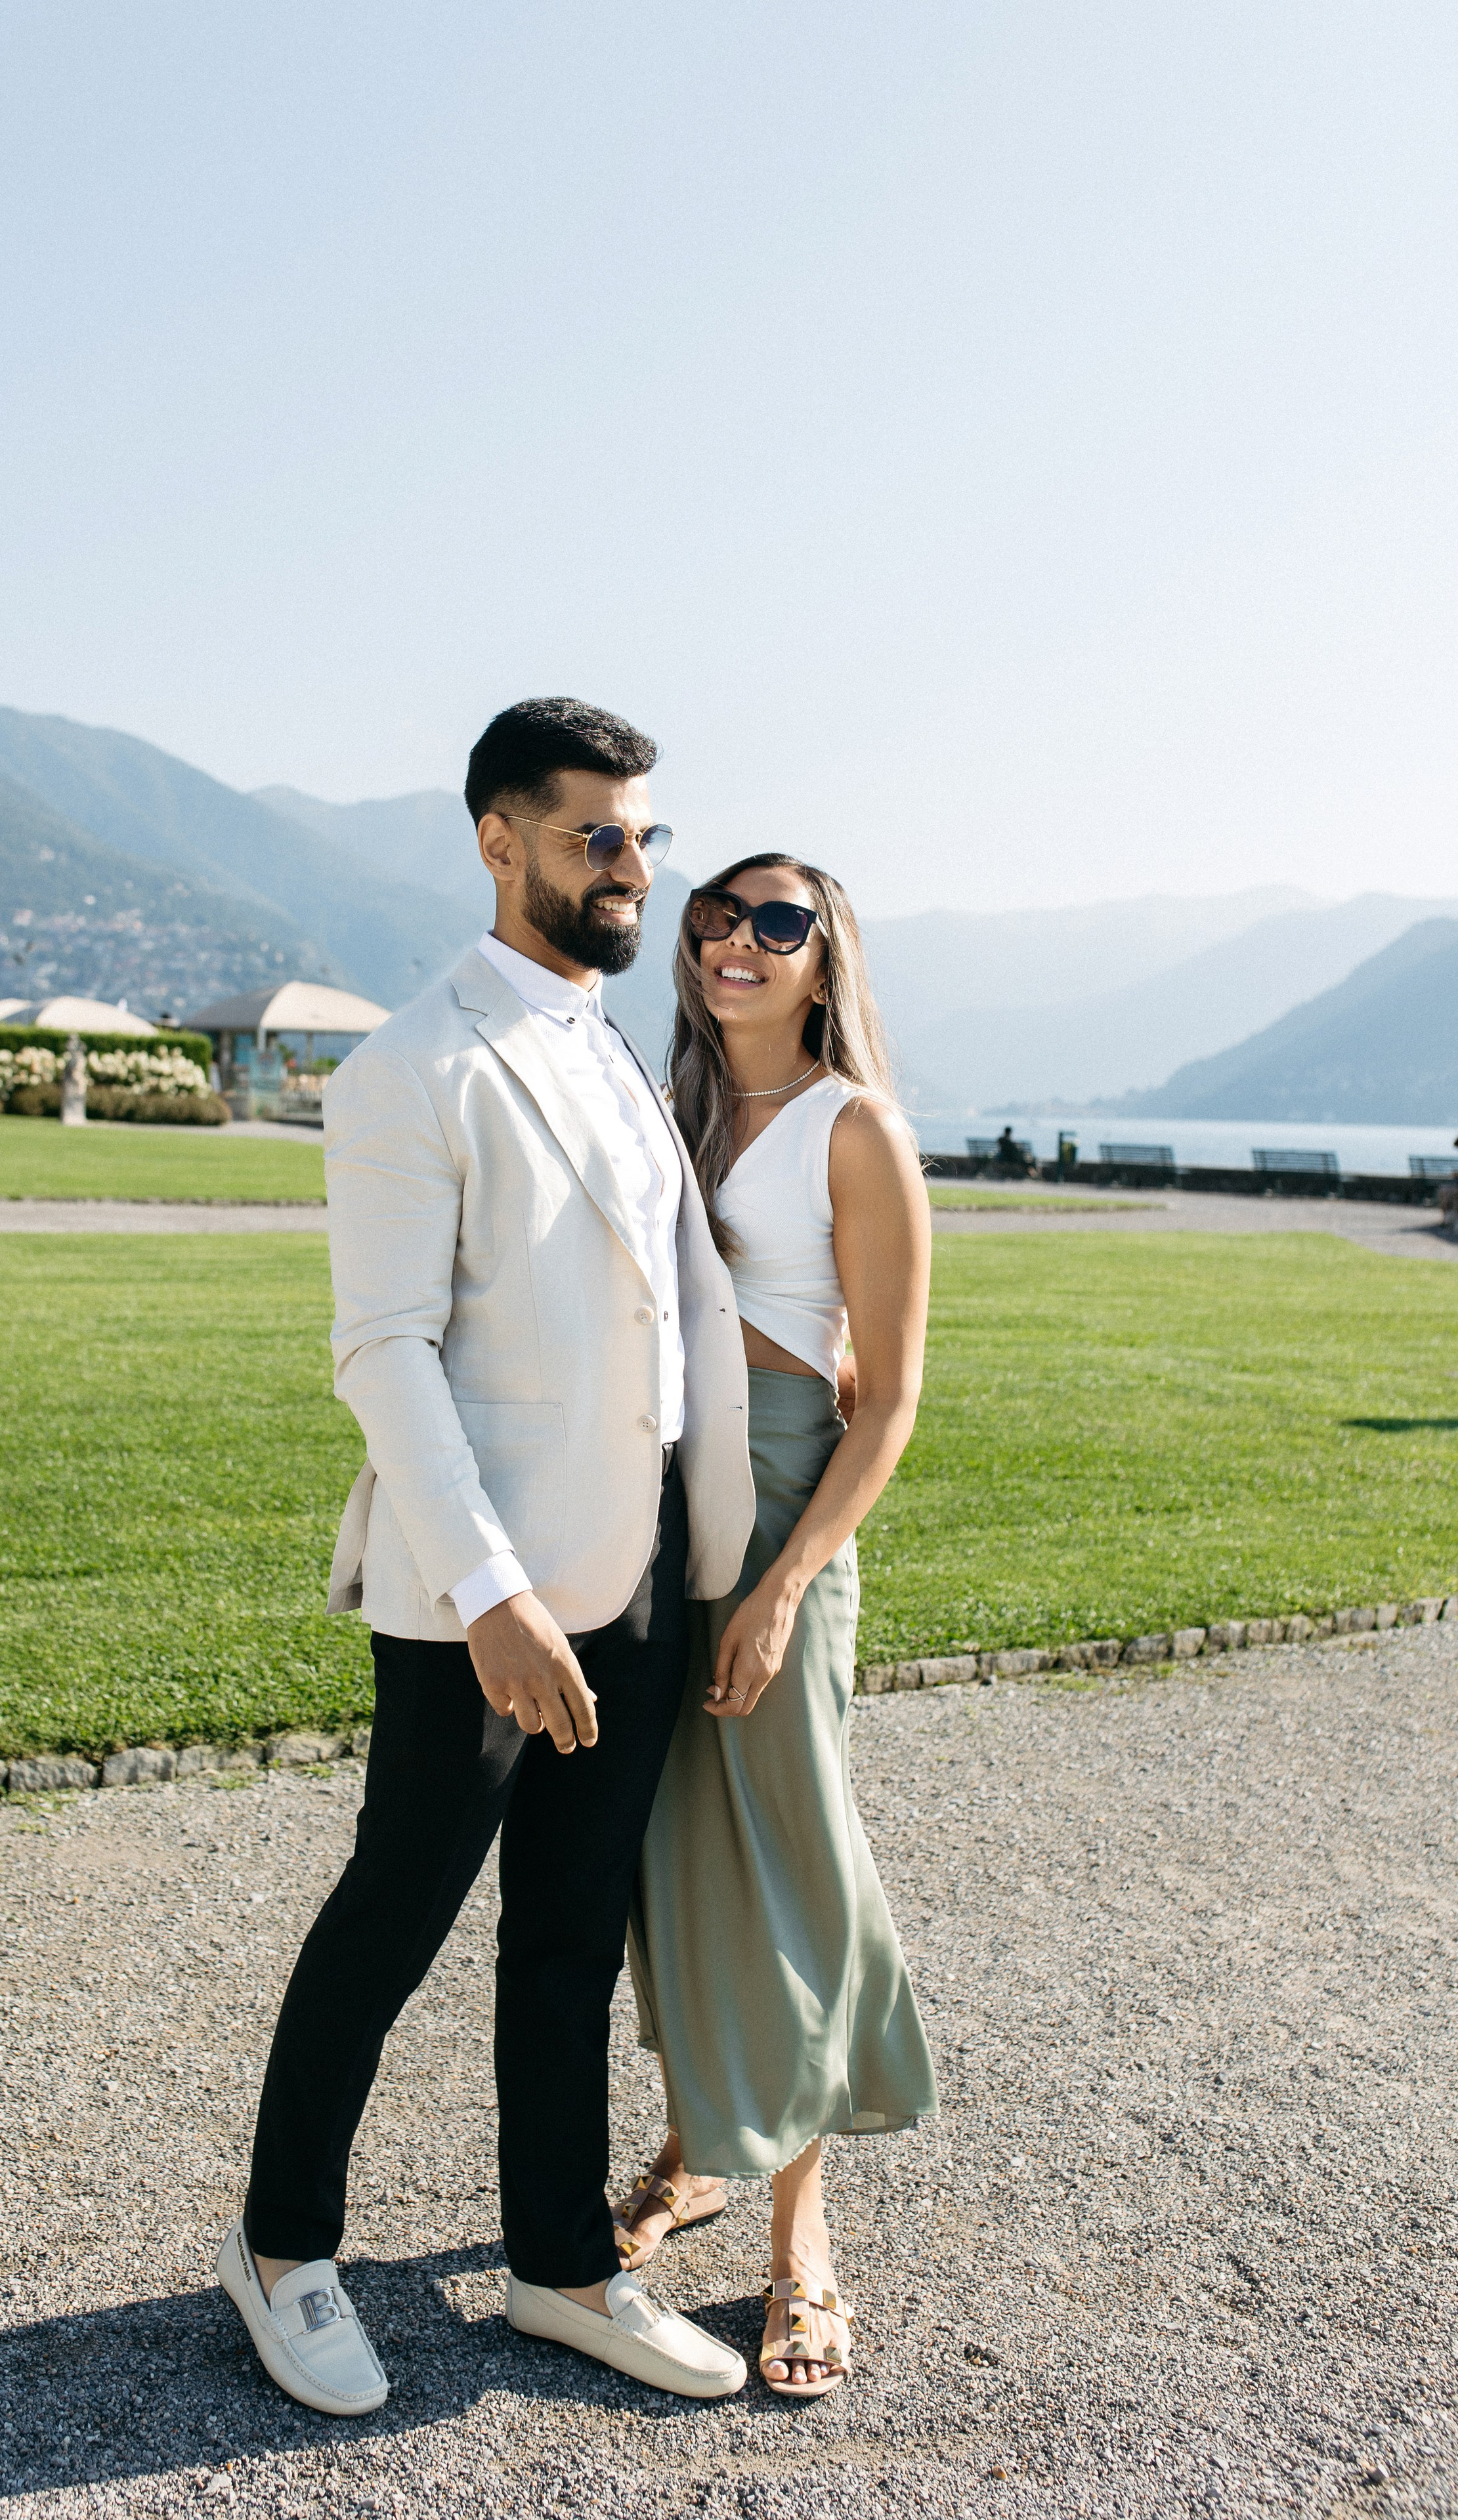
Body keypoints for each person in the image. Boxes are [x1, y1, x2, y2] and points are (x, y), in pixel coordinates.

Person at [218, 698, 756, 2414]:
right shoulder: (411, 1066)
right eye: (594, 832)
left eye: (641, 835)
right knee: (399, 1907)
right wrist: (495, 1598)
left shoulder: (618, 1049)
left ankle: (556, 2265)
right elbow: (384, 1350)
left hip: (654, 1565)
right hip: (490, 1598)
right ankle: (284, 2245)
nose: (629, 864)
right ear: (498, 839)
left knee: (572, 1928)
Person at [620, 853, 938, 2400]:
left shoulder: (853, 1127)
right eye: (711, 918)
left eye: (775, 924)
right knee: (670, 1834)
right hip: (658, 1486)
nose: (733, 941)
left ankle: (800, 2242)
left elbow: (889, 1401)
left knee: (790, 1846)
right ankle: (697, 2140)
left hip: (786, 1501)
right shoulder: (669, 1109)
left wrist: (785, 1585)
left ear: (825, 961)